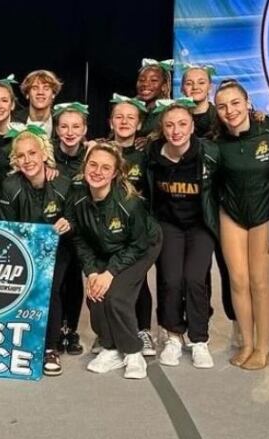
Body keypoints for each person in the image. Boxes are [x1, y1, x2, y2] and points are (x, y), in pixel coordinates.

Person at [206, 79, 269, 370]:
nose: (230, 111)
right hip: (233, 214)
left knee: (259, 282)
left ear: (248, 103)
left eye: (236, 103)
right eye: (223, 106)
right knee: (237, 281)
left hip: (265, 213)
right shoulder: (216, 143)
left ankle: (263, 348)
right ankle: (247, 343)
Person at [67, 143, 162, 380]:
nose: (98, 171)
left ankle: (132, 352)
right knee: (96, 294)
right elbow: (79, 239)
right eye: (93, 164)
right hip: (104, 247)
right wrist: (91, 272)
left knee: (117, 296)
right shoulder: (77, 196)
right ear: (85, 166)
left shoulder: (129, 203)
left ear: (115, 173)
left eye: (105, 167)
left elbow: (138, 244)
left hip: (141, 246)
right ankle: (110, 348)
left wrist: (109, 273)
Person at [146, 99, 217, 369]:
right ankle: (173, 335)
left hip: (200, 225)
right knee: (172, 280)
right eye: (170, 125)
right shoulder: (153, 154)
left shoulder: (208, 152)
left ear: (192, 127)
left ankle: (199, 339)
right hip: (169, 225)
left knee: (195, 279)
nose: (176, 130)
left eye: (182, 124)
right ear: (162, 129)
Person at [0, 127, 73, 374]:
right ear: (15, 160)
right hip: (22, 251)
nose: (28, 160)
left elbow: (77, 219)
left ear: (44, 155)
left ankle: (50, 348)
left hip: (58, 251)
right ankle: (15, 341)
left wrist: (68, 223)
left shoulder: (63, 184)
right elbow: (5, 228)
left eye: (32, 153)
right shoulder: (10, 186)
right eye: (21, 156)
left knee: (48, 287)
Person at [180, 64, 237, 344]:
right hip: (188, 206)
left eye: (200, 82)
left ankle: (238, 321)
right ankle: (197, 321)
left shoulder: (223, 118)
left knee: (230, 268)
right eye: (189, 83)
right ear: (182, 88)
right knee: (195, 271)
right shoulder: (176, 119)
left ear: (209, 87)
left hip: (221, 204)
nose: (194, 87)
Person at [107, 94, 155, 356]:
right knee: (106, 280)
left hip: (136, 229)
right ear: (111, 122)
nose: (124, 122)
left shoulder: (145, 153)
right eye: (119, 117)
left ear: (139, 125)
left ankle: (143, 330)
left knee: (138, 280)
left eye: (130, 118)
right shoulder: (100, 150)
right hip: (106, 228)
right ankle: (110, 332)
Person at [50, 103, 89, 354]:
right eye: (64, 126)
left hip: (81, 230)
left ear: (85, 129)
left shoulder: (91, 156)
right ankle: (52, 331)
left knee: (74, 280)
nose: (70, 131)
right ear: (56, 129)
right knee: (55, 282)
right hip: (52, 229)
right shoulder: (47, 155)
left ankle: (70, 330)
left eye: (76, 126)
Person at [15, 70, 62, 135]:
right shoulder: (14, 120)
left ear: (53, 94)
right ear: (27, 94)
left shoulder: (61, 120)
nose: (40, 92)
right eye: (35, 88)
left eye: (46, 88)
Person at [136, 58, 173, 137]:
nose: (145, 84)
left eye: (153, 80)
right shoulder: (130, 109)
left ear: (164, 86)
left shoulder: (170, 111)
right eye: (141, 80)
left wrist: (153, 141)